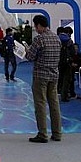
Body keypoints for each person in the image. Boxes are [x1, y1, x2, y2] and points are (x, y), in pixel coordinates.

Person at [25, 14, 62, 143]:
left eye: (36, 27)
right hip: (54, 75)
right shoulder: (56, 38)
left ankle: (43, 134)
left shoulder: (39, 39)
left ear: (39, 25)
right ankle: (57, 133)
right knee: (54, 104)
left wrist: (27, 50)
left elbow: (30, 57)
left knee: (40, 104)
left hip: (40, 76)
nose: (36, 29)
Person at [57, 27, 75, 102]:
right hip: (67, 62)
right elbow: (73, 52)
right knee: (66, 79)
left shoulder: (57, 39)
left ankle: (57, 93)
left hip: (58, 62)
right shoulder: (69, 40)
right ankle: (64, 96)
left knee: (59, 78)